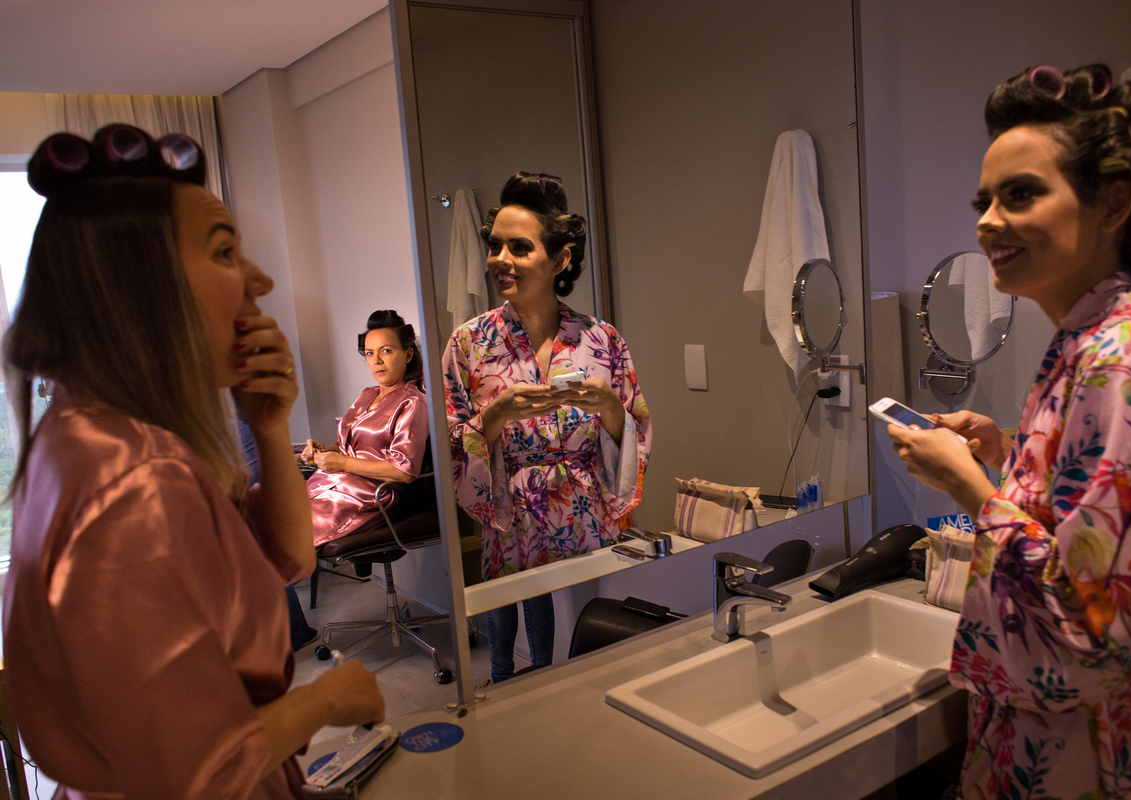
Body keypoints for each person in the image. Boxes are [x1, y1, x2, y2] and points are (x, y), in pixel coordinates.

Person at [2, 125, 385, 799]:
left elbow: (280, 561)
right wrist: (325, 702)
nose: (259, 280)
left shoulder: (78, 438)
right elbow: (193, 776)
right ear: (139, 285)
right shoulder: (133, 484)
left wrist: (267, 426)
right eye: (225, 251)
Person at [888, 65, 1131, 798]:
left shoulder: (1129, 367)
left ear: (1113, 203)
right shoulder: (1089, 344)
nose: (987, 221)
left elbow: (1095, 624)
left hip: (1103, 756)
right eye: (984, 200)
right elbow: (1093, 522)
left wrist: (971, 486)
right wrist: (1010, 449)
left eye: (1020, 194)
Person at [442, 172, 651, 683]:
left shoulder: (602, 341)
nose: (500, 261)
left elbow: (636, 435)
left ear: (560, 259)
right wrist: (494, 416)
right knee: (522, 681)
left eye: (519, 247)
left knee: (592, 659)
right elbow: (450, 443)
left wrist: (608, 408)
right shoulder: (468, 345)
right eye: (495, 247)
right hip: (512, 524)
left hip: (589, 524)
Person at [303, 310, 430, 546]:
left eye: (386, 351)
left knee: (286, 539)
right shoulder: (367, 395)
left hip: (363, 497)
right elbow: (345, 447)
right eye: (370, 353)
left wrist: (341, 463)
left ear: (408, 354)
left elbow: (404, 472)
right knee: (266, 519)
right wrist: (324, 451)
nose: (376, 360)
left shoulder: (412, 402)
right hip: (325, 485)